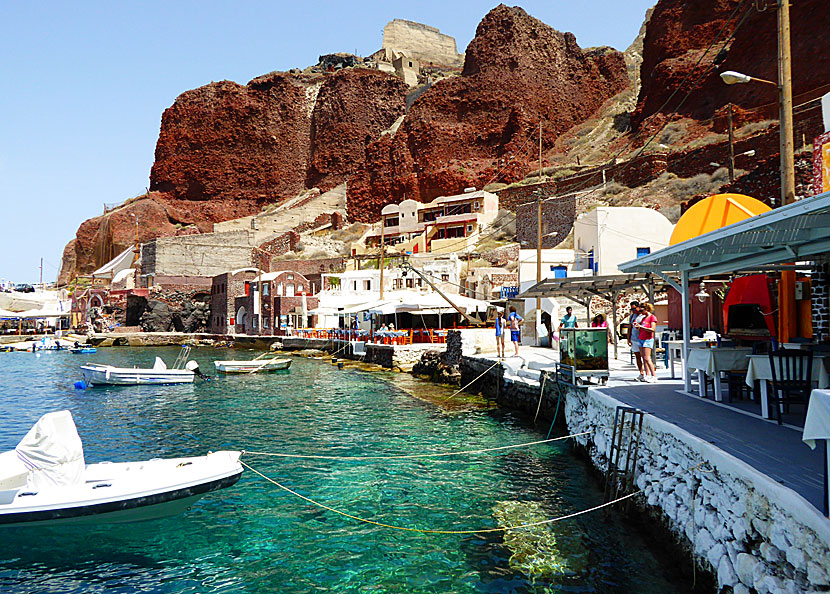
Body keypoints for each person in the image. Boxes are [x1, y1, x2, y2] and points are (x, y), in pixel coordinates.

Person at [635, 302, 658, 382]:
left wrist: (641, 327)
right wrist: (638, 327)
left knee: (647, 358)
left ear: (646, 309)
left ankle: (654, 376)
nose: (641, 311)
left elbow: (652, 329)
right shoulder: (643, 318)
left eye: (642, 309)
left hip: (648, 339)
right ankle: (647, 375)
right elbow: (641, 328)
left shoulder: (652, 317)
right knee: (643, 358)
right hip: (641, 338)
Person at [628, 301, 645, 381]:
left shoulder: (643, 316)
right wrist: (628, 339)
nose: (633, 310)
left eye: (634, 308)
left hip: (643, 338)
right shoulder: (632, 316)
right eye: (631, 309)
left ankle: (648, 373)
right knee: (637, 357)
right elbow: (630, 328)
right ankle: (641, 373)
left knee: (645, 357)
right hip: (634, 339)